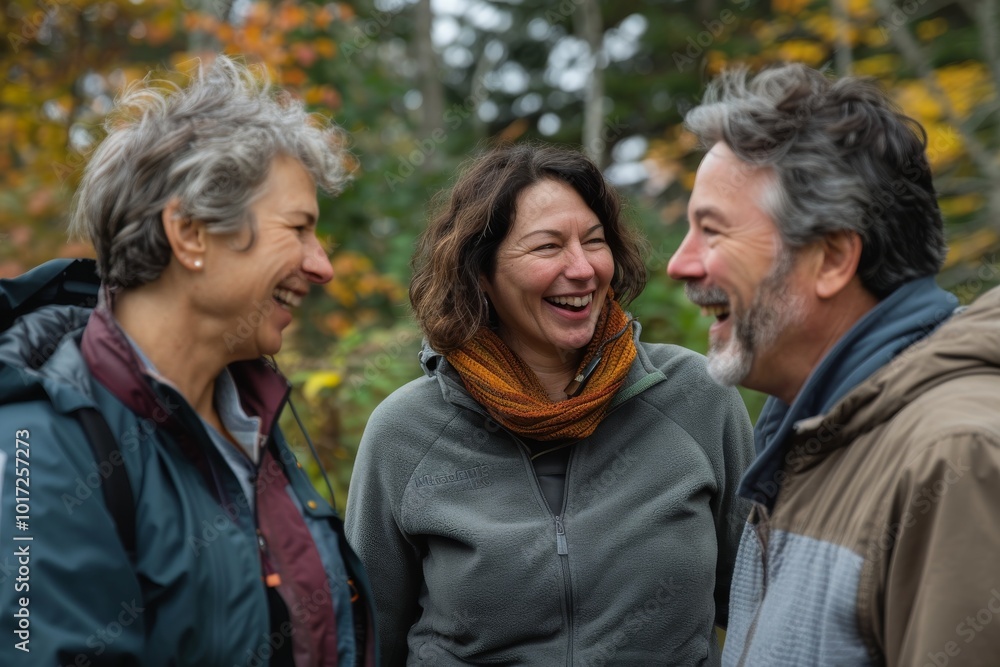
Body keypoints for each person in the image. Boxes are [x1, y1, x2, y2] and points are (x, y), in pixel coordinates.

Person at [0, 55, 377, 666]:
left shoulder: (250, 424)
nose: (322, 266)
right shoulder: (39, 451)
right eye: (299, 229)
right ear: (191, 233)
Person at [345, 142, 755, 665]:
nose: (582, 269)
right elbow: (366, 641)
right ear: (481, 273)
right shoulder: (405, 433)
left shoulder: (695, 396)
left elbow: (758, 604)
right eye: (547, 247)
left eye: (594, 241)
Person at [667, 62, 1000, 665]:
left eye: (712, 232)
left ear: (831, 258)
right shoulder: (804, 441)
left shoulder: (957, 460)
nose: (680, 264)